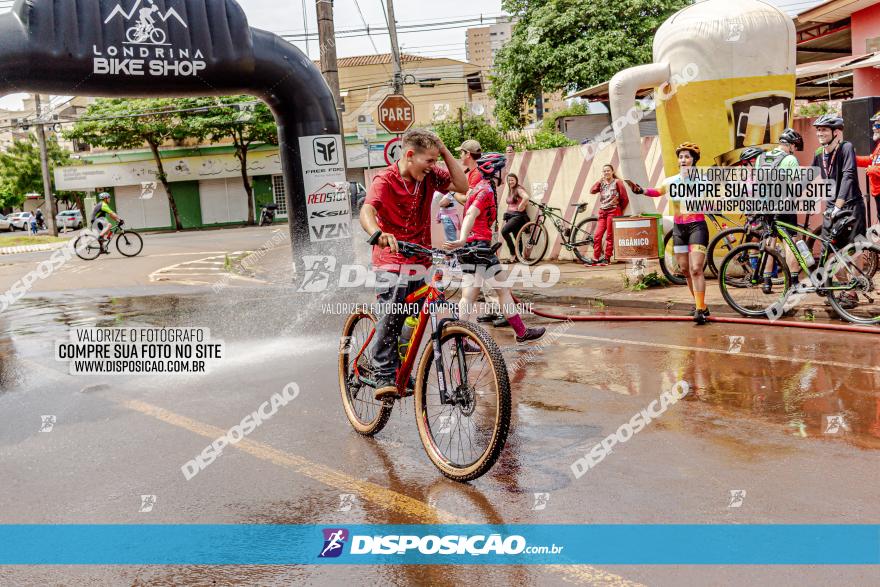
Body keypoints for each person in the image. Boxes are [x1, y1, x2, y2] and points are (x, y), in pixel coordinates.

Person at [360, 129, 468, 401]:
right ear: (409, 155)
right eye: (429, 161)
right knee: (395, 305)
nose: (434, 166)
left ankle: (400, 367)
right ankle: (384, 370)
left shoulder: (429, 176)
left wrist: (443, 149)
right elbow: (367, 210)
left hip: (420, 257)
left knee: (413, 317)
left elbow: (462, 185)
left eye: (436, 160)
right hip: (391, 257)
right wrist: (378, 233)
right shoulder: (385, 179)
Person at [444, 153, 545, 345]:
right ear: (493, 170)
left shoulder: (478, 188)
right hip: (479, 248)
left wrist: (463, 241)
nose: (505, 174)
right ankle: (522, 332)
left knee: (468, 296)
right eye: (503, 170)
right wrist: (462, 238)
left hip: (469, 249)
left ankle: (458, 342)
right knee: (503, 290)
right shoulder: (485, 190)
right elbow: (471, 214)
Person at [632, 142, 712, 324]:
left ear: (694, 160)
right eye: (681, 156)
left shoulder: (703, 179)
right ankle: (701, 304)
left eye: (687, 156)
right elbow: (657, 191)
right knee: (684, 269)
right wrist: (641, 190)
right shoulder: (670, 181)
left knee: (696, 268)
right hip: (679, 228)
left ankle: (699, 310)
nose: (683, 160)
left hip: (697, 226)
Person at [812, 113, 867, 308]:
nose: (820, 133)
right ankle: (843, 288)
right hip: (831, 207)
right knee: (831, 251)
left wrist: (839, 205)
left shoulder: (846, 147)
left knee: (853, 249)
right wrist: (788, 197)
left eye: (824, 129)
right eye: (818, 130)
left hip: (850, 205)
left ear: (836, 132)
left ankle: (853, 292)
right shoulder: (819, 153)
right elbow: (809, 178)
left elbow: (849, 175)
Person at [587, 164, 630, 266]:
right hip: (603, 212)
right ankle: (596, 258)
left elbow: (625, 198)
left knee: (609, 236)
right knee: (597, 236)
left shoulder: (617, 182)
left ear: (612, 171)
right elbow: (592, 191)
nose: (606, 172)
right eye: (604, 171)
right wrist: (599, 180)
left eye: (608, 171)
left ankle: (607, 258)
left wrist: (619, 210)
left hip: (613, 211)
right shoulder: (602, 183)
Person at [856, 110, 880, 225]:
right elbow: (872, 160)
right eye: (873, 125)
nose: (874, 128)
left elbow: (874, 166)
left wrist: (871, 169)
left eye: (877, 124)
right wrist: (853, 158)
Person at [499, 173, 530, 258]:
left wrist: (521, 205)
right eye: (509, 180)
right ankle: (518, 256)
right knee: (517, 237)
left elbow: (526, 197)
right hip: (510, 216)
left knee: (504, 231)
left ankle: (513, 253)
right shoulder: (511, 189)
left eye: (512, 180)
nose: (510, 182)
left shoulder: (518, 189)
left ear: (516, 180)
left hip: (518, 216)